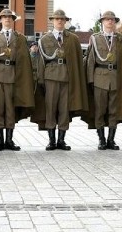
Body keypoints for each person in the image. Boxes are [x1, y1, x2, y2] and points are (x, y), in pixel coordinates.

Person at [32, 9, 88, 150]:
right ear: (52, 21)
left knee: (64, 109)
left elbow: (77, 61)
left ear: (65, 21)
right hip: (50, 77)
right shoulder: (45, 39)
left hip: (67, 77)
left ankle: (61, 140)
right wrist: (40, 80)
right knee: (50, 108)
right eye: (57, 19)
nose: (59, 21)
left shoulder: (73, 39)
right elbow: (41, 61)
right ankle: (51, 140)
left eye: (62, 19)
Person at [86, 10, 122, 150]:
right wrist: (90, 80)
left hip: (115, 78)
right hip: (99, 78)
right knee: (100, 110)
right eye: (107, 19)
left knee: (113, 110)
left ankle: (111, 139)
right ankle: (101, 139)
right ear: (102, 22)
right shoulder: (95, 39)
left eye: (112, 20)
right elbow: (91, 60)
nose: (110, 21)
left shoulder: (121, 39)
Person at [0, 8, 34, 151]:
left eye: (10, 17)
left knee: (10, 109)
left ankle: (9, 140)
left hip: (13, 76)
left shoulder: (20, 38)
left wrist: (22, 79)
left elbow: (24, 60)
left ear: (13, 21)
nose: (7, 19)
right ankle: (0, 141)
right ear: (0, 20)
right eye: (4, 17)